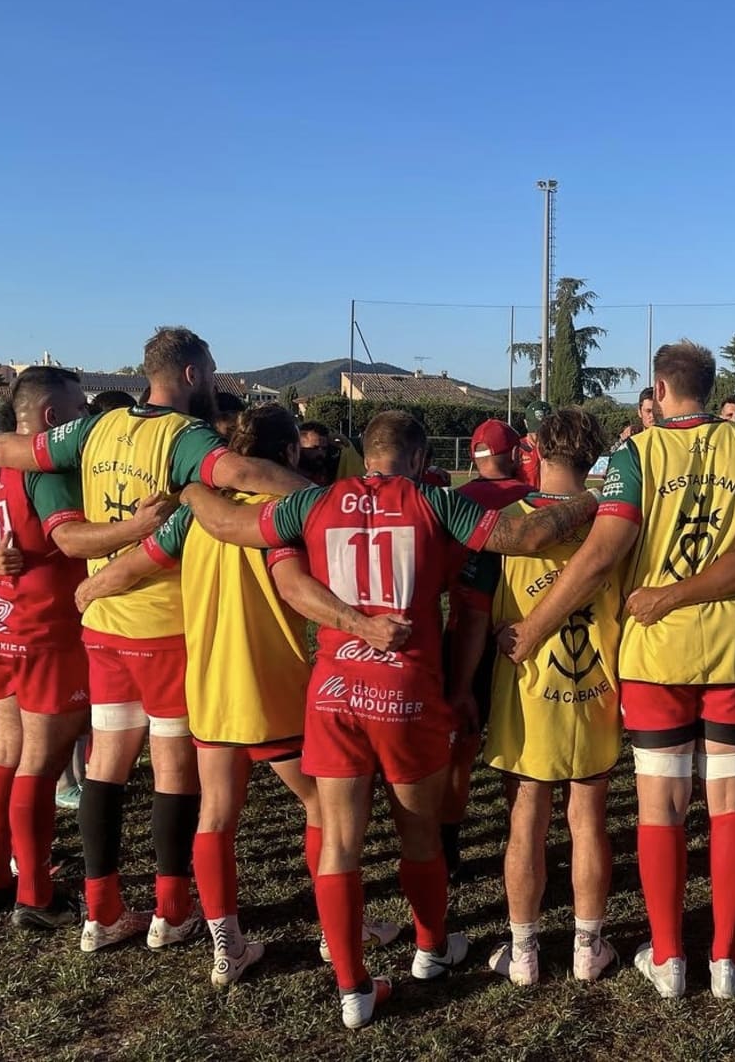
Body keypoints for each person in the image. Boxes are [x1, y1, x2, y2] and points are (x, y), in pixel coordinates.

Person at [179, 409, 599, 1030]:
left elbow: (231, 525)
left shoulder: (314, 503)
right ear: (419, 454)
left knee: (340, 843)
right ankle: (431, 950)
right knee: (419, 833)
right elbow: (527, 538)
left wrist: (188, 484)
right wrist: (592, 502)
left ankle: (352, 989)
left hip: (335, 690)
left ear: (365, 453)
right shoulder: (433, 502)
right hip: (406, 689)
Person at [498, 340, 735, 1000]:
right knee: (731, 805)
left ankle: (670, 959)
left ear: (659, 389)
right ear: (711, 385)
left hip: (655, 651)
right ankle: (727, 962)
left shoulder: (636, 454)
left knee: (662, 808)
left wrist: (535, 626)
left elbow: (600, 554)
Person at [0, 328, 310, 953]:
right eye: (211, 370)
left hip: (105, 626)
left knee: (105, 766)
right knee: (173, 769)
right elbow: (239, 471)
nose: (215, 381)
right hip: (164, 625)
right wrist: (329, 496)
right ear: (191, 374)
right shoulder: (186, 437)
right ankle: (171, 908)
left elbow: (12, 452)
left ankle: (101, 912)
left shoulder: (93, 430)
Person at [69, 404, 398, 986]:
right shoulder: (290, 511)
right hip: (272, 688)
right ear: (290, 455)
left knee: (216, 819)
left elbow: (135, 565)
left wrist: (90, 587)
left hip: (211, 690)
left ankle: (228, 949)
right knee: (326, 812)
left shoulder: (194, 515)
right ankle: (337, 930)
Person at [0, 366, 171, 928]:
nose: (86, 424)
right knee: (40, 765)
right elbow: (68, 537)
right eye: (78, 411)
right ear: (51, 418)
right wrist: (139, 526)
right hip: (42, 629)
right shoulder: (42, 473)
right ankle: (36, 897)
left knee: (6, 750)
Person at [451, 408, 622, 986]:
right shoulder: (615, 520)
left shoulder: (500, 526)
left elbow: (472, 617)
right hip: (597, 687)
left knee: (525, 815)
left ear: (535, 449)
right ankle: (587, 948)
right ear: (593, 456)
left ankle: (523, 953)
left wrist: (461, 689)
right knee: (588, 817)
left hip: (523, 691)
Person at [438, 419, 536, 879]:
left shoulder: (456, 500)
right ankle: (524, 837)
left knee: (458, 751)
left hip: (460, 633)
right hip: (517, 636)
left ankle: (448, 848)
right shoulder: (525, 501)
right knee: (519, 746)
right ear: (515, 454)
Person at [516, 402, 551, 488]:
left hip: (550, 499)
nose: (539, 434)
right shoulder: (517, 448)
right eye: (535, 430)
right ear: (526, 423)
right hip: (525, 500)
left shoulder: (557, 448)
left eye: (544, 430)